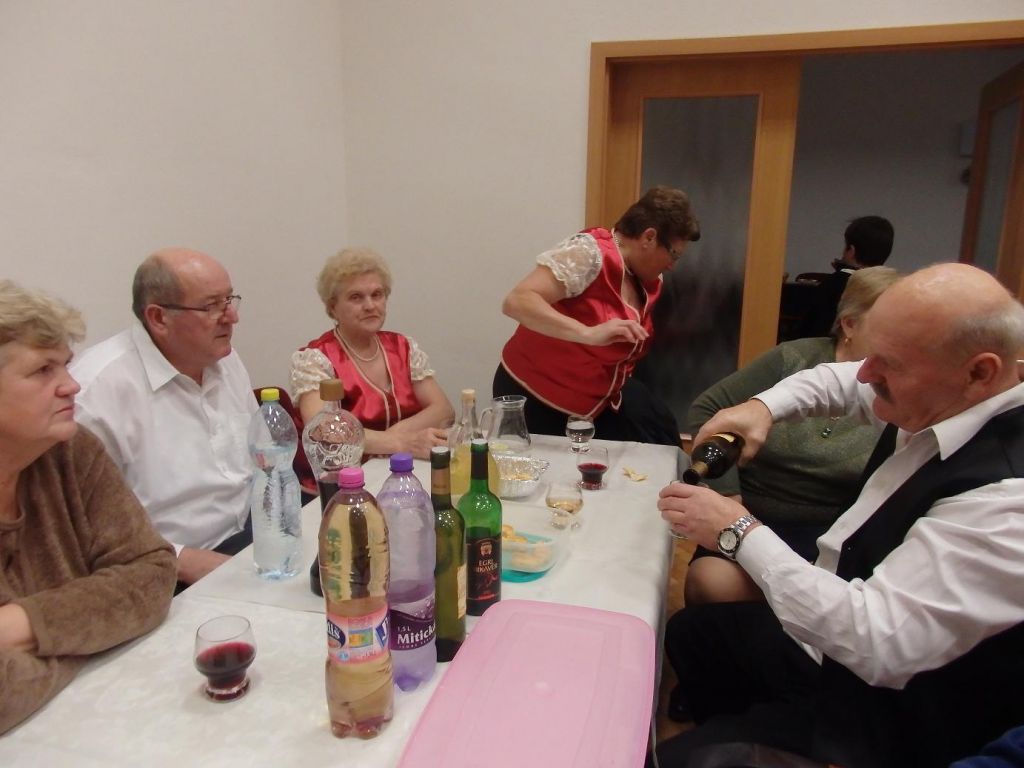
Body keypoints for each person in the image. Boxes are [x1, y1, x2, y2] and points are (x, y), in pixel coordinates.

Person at [655, 263, 1024, 768]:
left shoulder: (1008, 499)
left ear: (979, 372)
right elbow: (838, 380)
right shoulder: (951, 390)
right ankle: (750, 725)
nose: (866, 375)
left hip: (888, 707)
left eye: (888, 364)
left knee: (678, 760)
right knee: (693, 635)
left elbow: (876, 642)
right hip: (829, 645)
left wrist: (737, 532)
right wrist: (762, 408)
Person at [0, 280, 176, 734]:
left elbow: (153, 575)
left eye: (65, 365)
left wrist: (19, 625)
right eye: (43, 370)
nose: (72, 385)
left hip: (92, 719)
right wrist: (90, 632)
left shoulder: (69, 449)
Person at [683, 266, 900, 607]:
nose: (900, 339)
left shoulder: (902, 390)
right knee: (710, 581)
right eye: (889, 325)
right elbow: (708, 408)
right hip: (753, 513)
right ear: (849, 324)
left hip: (826, 533)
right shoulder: (794, 359)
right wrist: (729, 499)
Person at [71, 248, 256, 586]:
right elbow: (83, 529)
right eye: (212, 306)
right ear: (158, 318)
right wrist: (180, 560)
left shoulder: (223, 358)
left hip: (251, 532)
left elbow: (261, 457)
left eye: (229, 300)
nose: (232, 317)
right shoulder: (95, 393)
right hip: (166, 567)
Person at [493, 185, 701, 444]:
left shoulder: (648, 278)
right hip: (536, 396)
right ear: (649, 237)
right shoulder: (589, 254)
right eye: (674, 254)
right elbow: (517, 301)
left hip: (596, 403)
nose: (672, 265)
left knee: (658, 434)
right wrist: (588, 333)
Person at [290, 247, 454, 459]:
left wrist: (391, 437)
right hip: (346, 472)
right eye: (356, 297)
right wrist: (399, 442)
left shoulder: (403, 347)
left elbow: (443, 409)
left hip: (404, 463)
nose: (370, 306)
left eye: (377, 295)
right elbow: (324, 431)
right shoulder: (315, 359)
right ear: (333, 307)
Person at [796, 215, 894, 338]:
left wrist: (839, 274)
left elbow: (811, 330)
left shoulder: (834, 285)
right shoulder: (890, 290)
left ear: (851, 250)